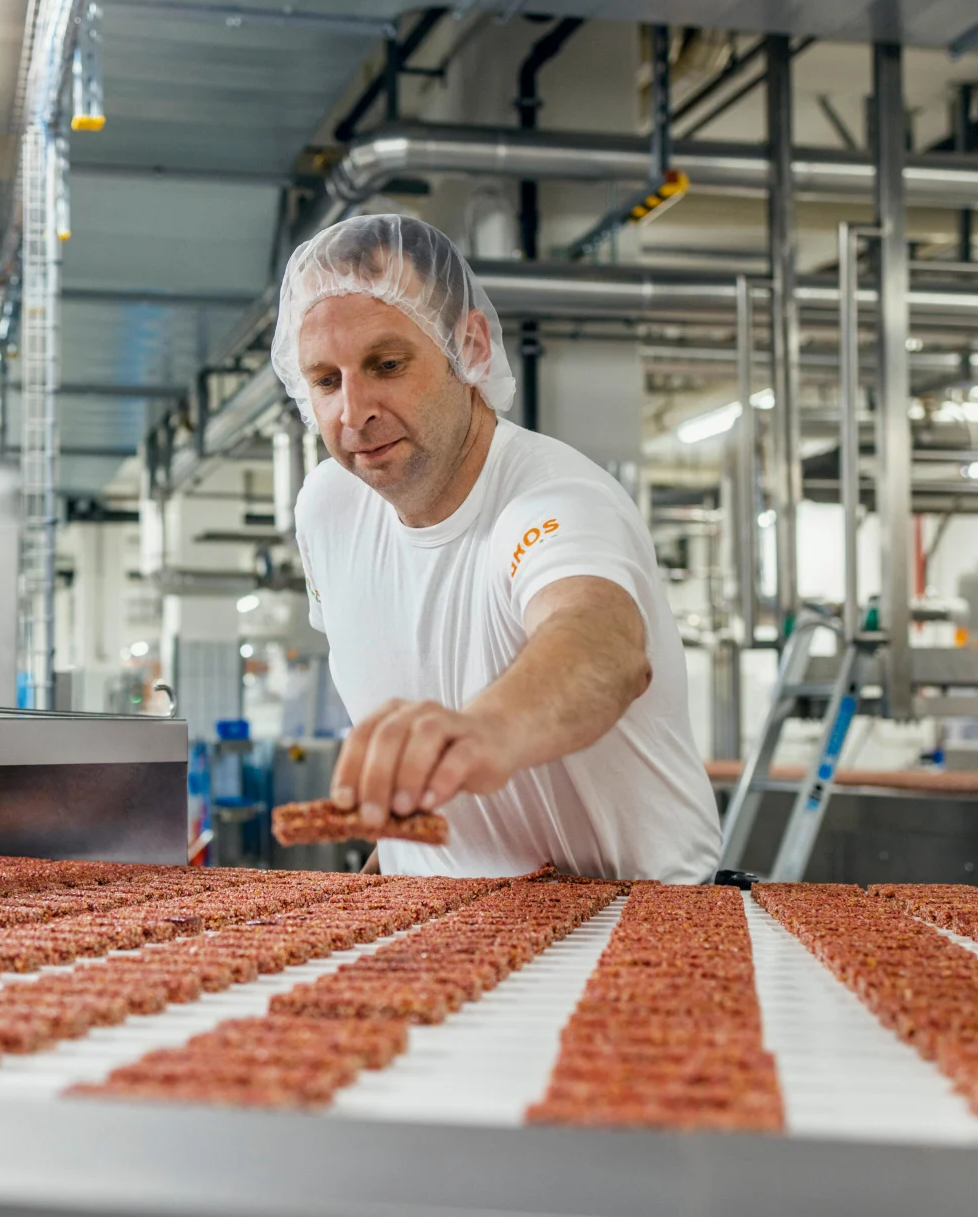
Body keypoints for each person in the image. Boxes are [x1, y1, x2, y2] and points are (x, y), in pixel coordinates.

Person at [271, 213, 720, 882]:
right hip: (446, 930)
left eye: (386, 364)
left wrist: (484, 732)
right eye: (326, 381)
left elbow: (600, 642)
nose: (353, 410)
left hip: (635, 925)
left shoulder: (553, 497)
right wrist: (396, 858)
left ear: (469, 347)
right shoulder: (327, 508)